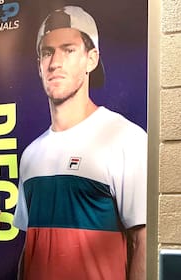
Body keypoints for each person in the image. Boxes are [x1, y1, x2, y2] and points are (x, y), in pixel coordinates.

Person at [13, 6, 147, 280]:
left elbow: (141, 242)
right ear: (39, 64)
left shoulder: (126, 139)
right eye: (47, 52)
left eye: (68, 49)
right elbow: (30, 247)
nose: (55, 63)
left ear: (92, 59)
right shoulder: (30, 155)